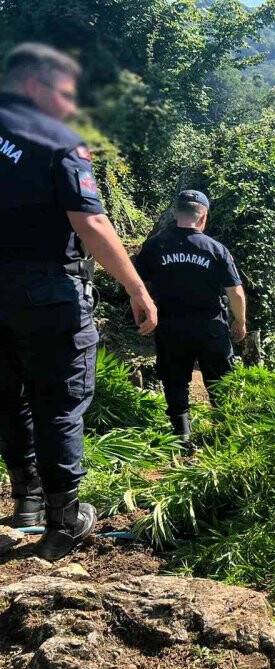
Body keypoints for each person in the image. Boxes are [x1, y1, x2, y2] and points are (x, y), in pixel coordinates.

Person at [0, 43, 158, 560]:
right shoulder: (56, 141)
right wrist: (136, 288)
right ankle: (64, 521)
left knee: (9, 397)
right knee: (59, 402)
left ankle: (26, 499)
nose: (71, 107)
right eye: (66, 95)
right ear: (34, 86)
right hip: (48, 294)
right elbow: (90, 221)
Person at [134, 190, 246, 449]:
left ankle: (182, 437)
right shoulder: (215, 249)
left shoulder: (154, 246)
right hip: (211, 327)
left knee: (175, 381)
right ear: (203, 217)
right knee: (220, 381)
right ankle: (225, 436)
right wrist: (240, 321)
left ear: (175, 213)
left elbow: (137, 287)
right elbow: (236, 293)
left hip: (171, 327)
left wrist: (141, 316)